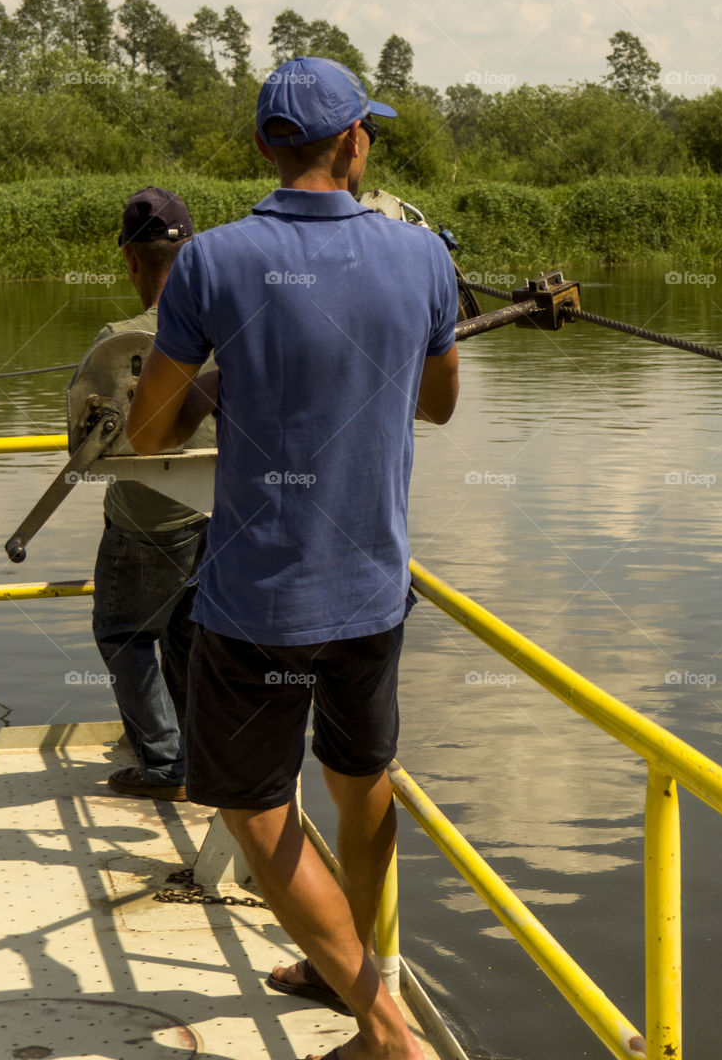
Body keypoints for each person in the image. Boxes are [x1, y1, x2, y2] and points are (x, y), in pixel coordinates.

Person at [127, 56, 459, 1060]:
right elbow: (438, 404)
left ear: (265, 146)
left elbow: (147, 432)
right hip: (373, 588)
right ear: (353, 140)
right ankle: (359, 968)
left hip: (257, 601)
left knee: (253, 805)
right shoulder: (423, 256)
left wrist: (218, 381)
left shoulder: (212, 262)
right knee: (360, 777)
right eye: (369, 130)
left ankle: (382, 1029)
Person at [91, 187, 215, 801]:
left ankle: (165, 766)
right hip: (218, 514)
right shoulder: (229, 327)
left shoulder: (119, 340)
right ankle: (193, 753)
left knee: (125, 635)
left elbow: (89, 442)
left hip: (148, 522)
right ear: (192, 253)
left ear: (129, 259)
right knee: (189, 634)